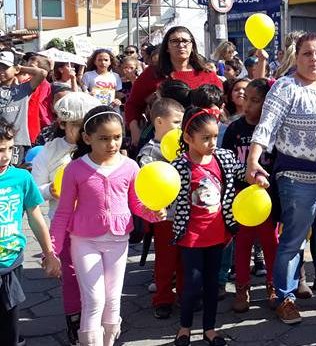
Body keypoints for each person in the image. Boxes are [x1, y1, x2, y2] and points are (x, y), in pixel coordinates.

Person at [245, 32, 316, 324]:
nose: (314, 59)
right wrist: (253, 158)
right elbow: (266, 126)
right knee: (294, 240)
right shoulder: (285, 87)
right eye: (307, 53)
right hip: (297, 176)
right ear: (297, 56)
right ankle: (284, 297)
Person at [50, 107, 159, 346]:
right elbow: (63, 212)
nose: (112, 143)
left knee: (112, 300)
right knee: (94, 300)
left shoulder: (130, 166)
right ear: (87, 138)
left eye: (117, 137)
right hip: (84, 241)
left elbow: (137, 203)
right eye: (104, 138)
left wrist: (153, 213)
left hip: (118, 240)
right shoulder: (75, 169)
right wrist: (52, 250)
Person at [169, 106, 245, 346]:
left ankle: (210, 329)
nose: (213, 142)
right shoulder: (180, 166)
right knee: (192, 285)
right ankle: (184, 328)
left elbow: (241, 172)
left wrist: (258, 176)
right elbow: (167, 193)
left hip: (217, 234)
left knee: (212, 284)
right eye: (206, 138)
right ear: (188, 138)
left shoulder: (223, 158)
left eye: (215, 136)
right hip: (190, 236)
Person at [30, 92, 100, 343]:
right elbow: (34, 189)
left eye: (87, 124)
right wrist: (50, 190)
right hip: (66, 225)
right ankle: (74, 318)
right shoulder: (50, 152)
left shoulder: (98, 149)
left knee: (96, 274)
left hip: (96, 224)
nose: (82, 131)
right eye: (76, 125)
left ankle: (97, 318)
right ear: (62, 124)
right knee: (70, 274)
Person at [0, 120, 61, 346]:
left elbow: (36, 217)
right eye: (0, 150)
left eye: (10, 149)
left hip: (11, 262)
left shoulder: (21, 178)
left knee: (10, 322)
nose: (6, 156)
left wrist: (49, 253)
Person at [221, 78, 279, 314]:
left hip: (266, 198)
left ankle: (273, 285)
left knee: (270, 243)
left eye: (256, 101)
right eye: (246, 99)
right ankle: (242, 288)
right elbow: (226, 160)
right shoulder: (235, 129)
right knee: (242, 244)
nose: (249, 105)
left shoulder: (272, 130)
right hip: (242, 198)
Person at [125, 27, 222, 147]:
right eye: (175, 41)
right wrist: (135, 131)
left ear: (192, 45)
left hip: (202, 142)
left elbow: (220, 104)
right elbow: (133, 105)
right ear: (167, 47)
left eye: (185, 41)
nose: (181, 45)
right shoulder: (153, 73)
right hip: (161, 142)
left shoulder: (206, 74)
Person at [137, 97, 185, 320]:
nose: (180, 127)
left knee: (186, 258)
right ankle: (163, 298)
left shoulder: (184, 148)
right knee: (165, 260)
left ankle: (186, 296)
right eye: (176, 122)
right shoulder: (149, 151)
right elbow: (145, 179)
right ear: (158, 122)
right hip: (164, 216)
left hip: (185, 214)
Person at [0, 49, 48, 164]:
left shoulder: (23, 89)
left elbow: (42, 73)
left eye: (5, 67)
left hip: (17, 141)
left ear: (15, 69)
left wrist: (20, 68)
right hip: (1, 140)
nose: (1, 71)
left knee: (13, 173)